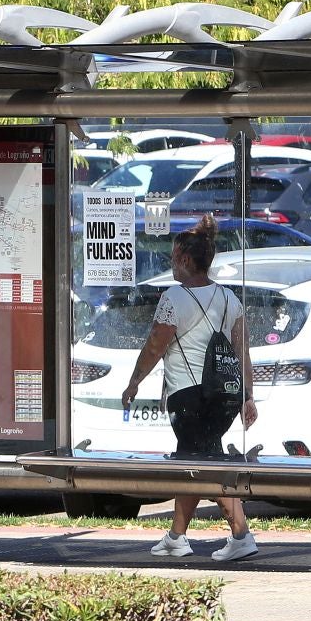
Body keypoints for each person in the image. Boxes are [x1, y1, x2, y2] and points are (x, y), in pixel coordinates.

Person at [120, 213, 259, 562]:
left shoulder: (174, 299)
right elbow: (243, 351)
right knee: (196, 458)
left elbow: (155, 345)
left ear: (184, 259)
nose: (171, 264)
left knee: (204, 462)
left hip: (189, 396)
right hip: (225, 394)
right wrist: (248, 395)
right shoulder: (230, 298)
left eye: (172, 258)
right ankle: (176, 536)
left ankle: (240, 534)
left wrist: (134, 382)